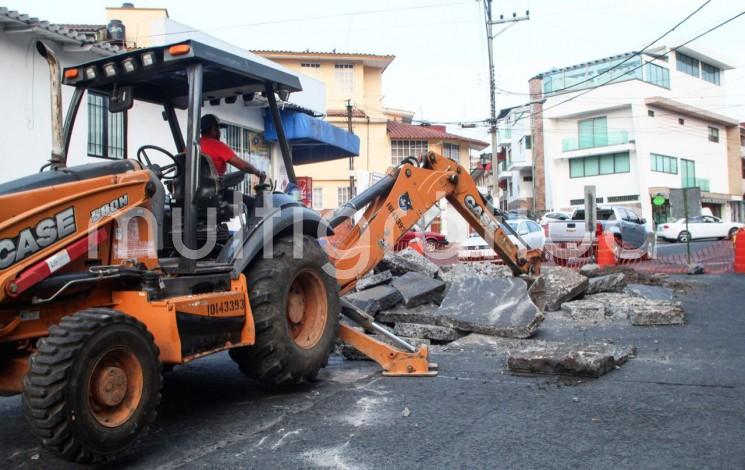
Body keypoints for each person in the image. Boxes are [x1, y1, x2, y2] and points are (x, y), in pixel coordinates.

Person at [199, 114, 266, 179]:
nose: (220, 132)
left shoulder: (194, 145)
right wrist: (258, 173)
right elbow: (244, 166)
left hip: (196, 187)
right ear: (213, 129)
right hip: (215, 187)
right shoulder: (216, 145)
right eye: (218, 129)